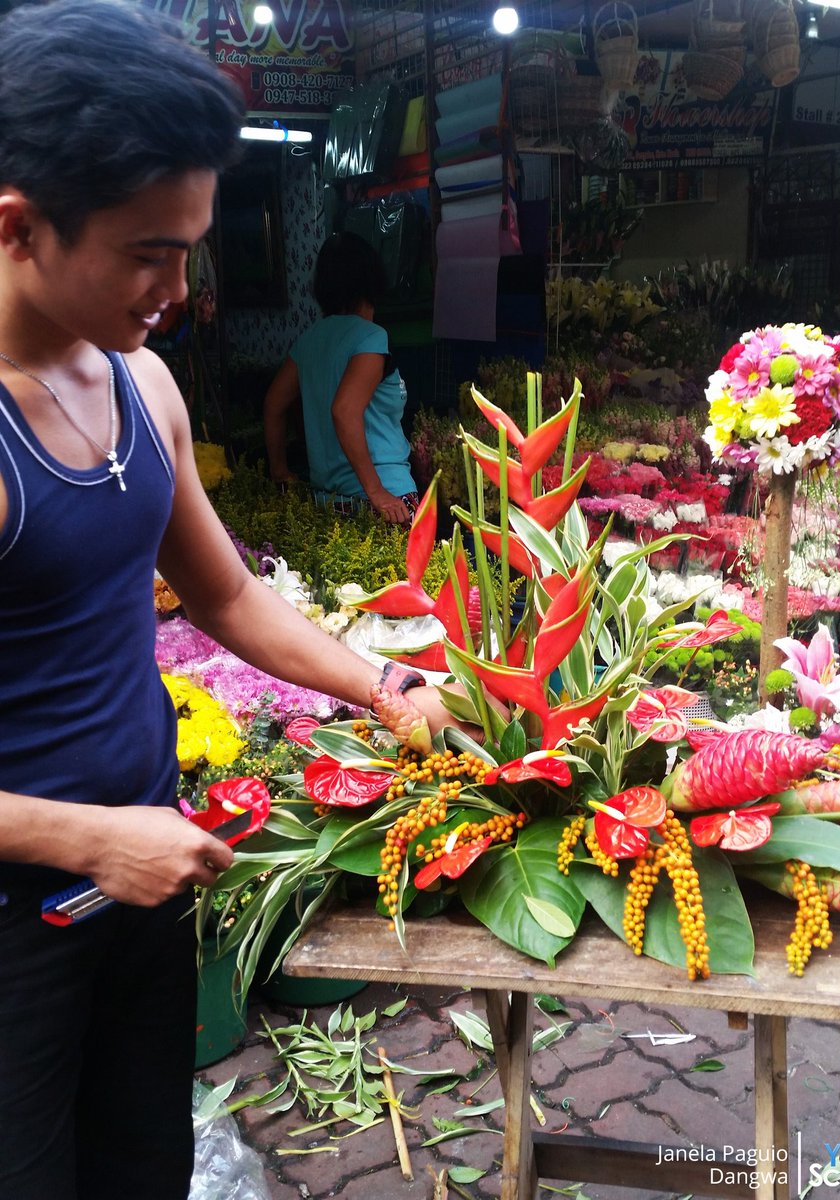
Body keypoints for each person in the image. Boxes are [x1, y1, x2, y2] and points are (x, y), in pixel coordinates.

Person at [0, 4, 452, 1198]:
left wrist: (385, 684)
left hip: (141, 874)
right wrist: (87, 838)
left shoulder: (142, 385)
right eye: (149, 251)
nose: (180, 288)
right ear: (19, 226)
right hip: (19, 920)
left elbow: (228, 600)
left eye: (190, 248)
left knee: (142, 1163)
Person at [263, 231, 418, 523]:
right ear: (372, 282)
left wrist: (280, 472)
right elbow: (344, 411)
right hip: (386, 501)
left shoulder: (308, 341)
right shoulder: (372, 338)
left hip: (328, 502)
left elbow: (273, 404)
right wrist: (377, 492)